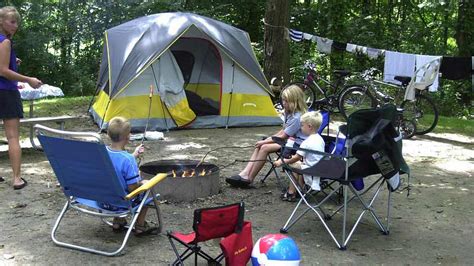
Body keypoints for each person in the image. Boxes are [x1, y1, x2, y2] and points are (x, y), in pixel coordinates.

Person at [226, 84, 308, 188]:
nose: (284, 103)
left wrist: (265, 141)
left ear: (295, 101)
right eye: (283, 100)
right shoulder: (290, 112)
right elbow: (283, 131)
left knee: (264, 147)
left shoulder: (297, 117)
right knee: (260, 145)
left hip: (297, 146)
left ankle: (249, 178)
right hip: (289, 141)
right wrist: (269, 138)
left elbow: (283, 136)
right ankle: (245, 173)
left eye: (287, 101)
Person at [0, 6, 42, 189]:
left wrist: (12, 61)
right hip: (6, 92)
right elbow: (3, 71)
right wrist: (29, 79)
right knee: (13, 137)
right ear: (1, 21)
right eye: (12, 21)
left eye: (17, 22)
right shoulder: (5, 42)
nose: (15, 26)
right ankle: (17, 179)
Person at [104, 116, 157, 236]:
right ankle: (140, 226)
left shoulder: (102, 153)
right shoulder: (127, 160)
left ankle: (118, 221)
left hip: (105, 200)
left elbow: (116, 165)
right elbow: (132, 188)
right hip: (123, 203)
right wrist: (142, 183)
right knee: (146, 188)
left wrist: (134, 155)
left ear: (108, 134)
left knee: (116, 184)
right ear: (128, 137)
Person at [273, 111, 325, 201]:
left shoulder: (307, 142)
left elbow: (295, 158)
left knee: (293, 166)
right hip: (319, 166)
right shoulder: (320, 139)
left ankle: (291, 192)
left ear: (309, 126)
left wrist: (280, 162)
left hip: (312, 168)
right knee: (299, 164)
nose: (300, 128)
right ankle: (300, 190)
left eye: (302, 125)